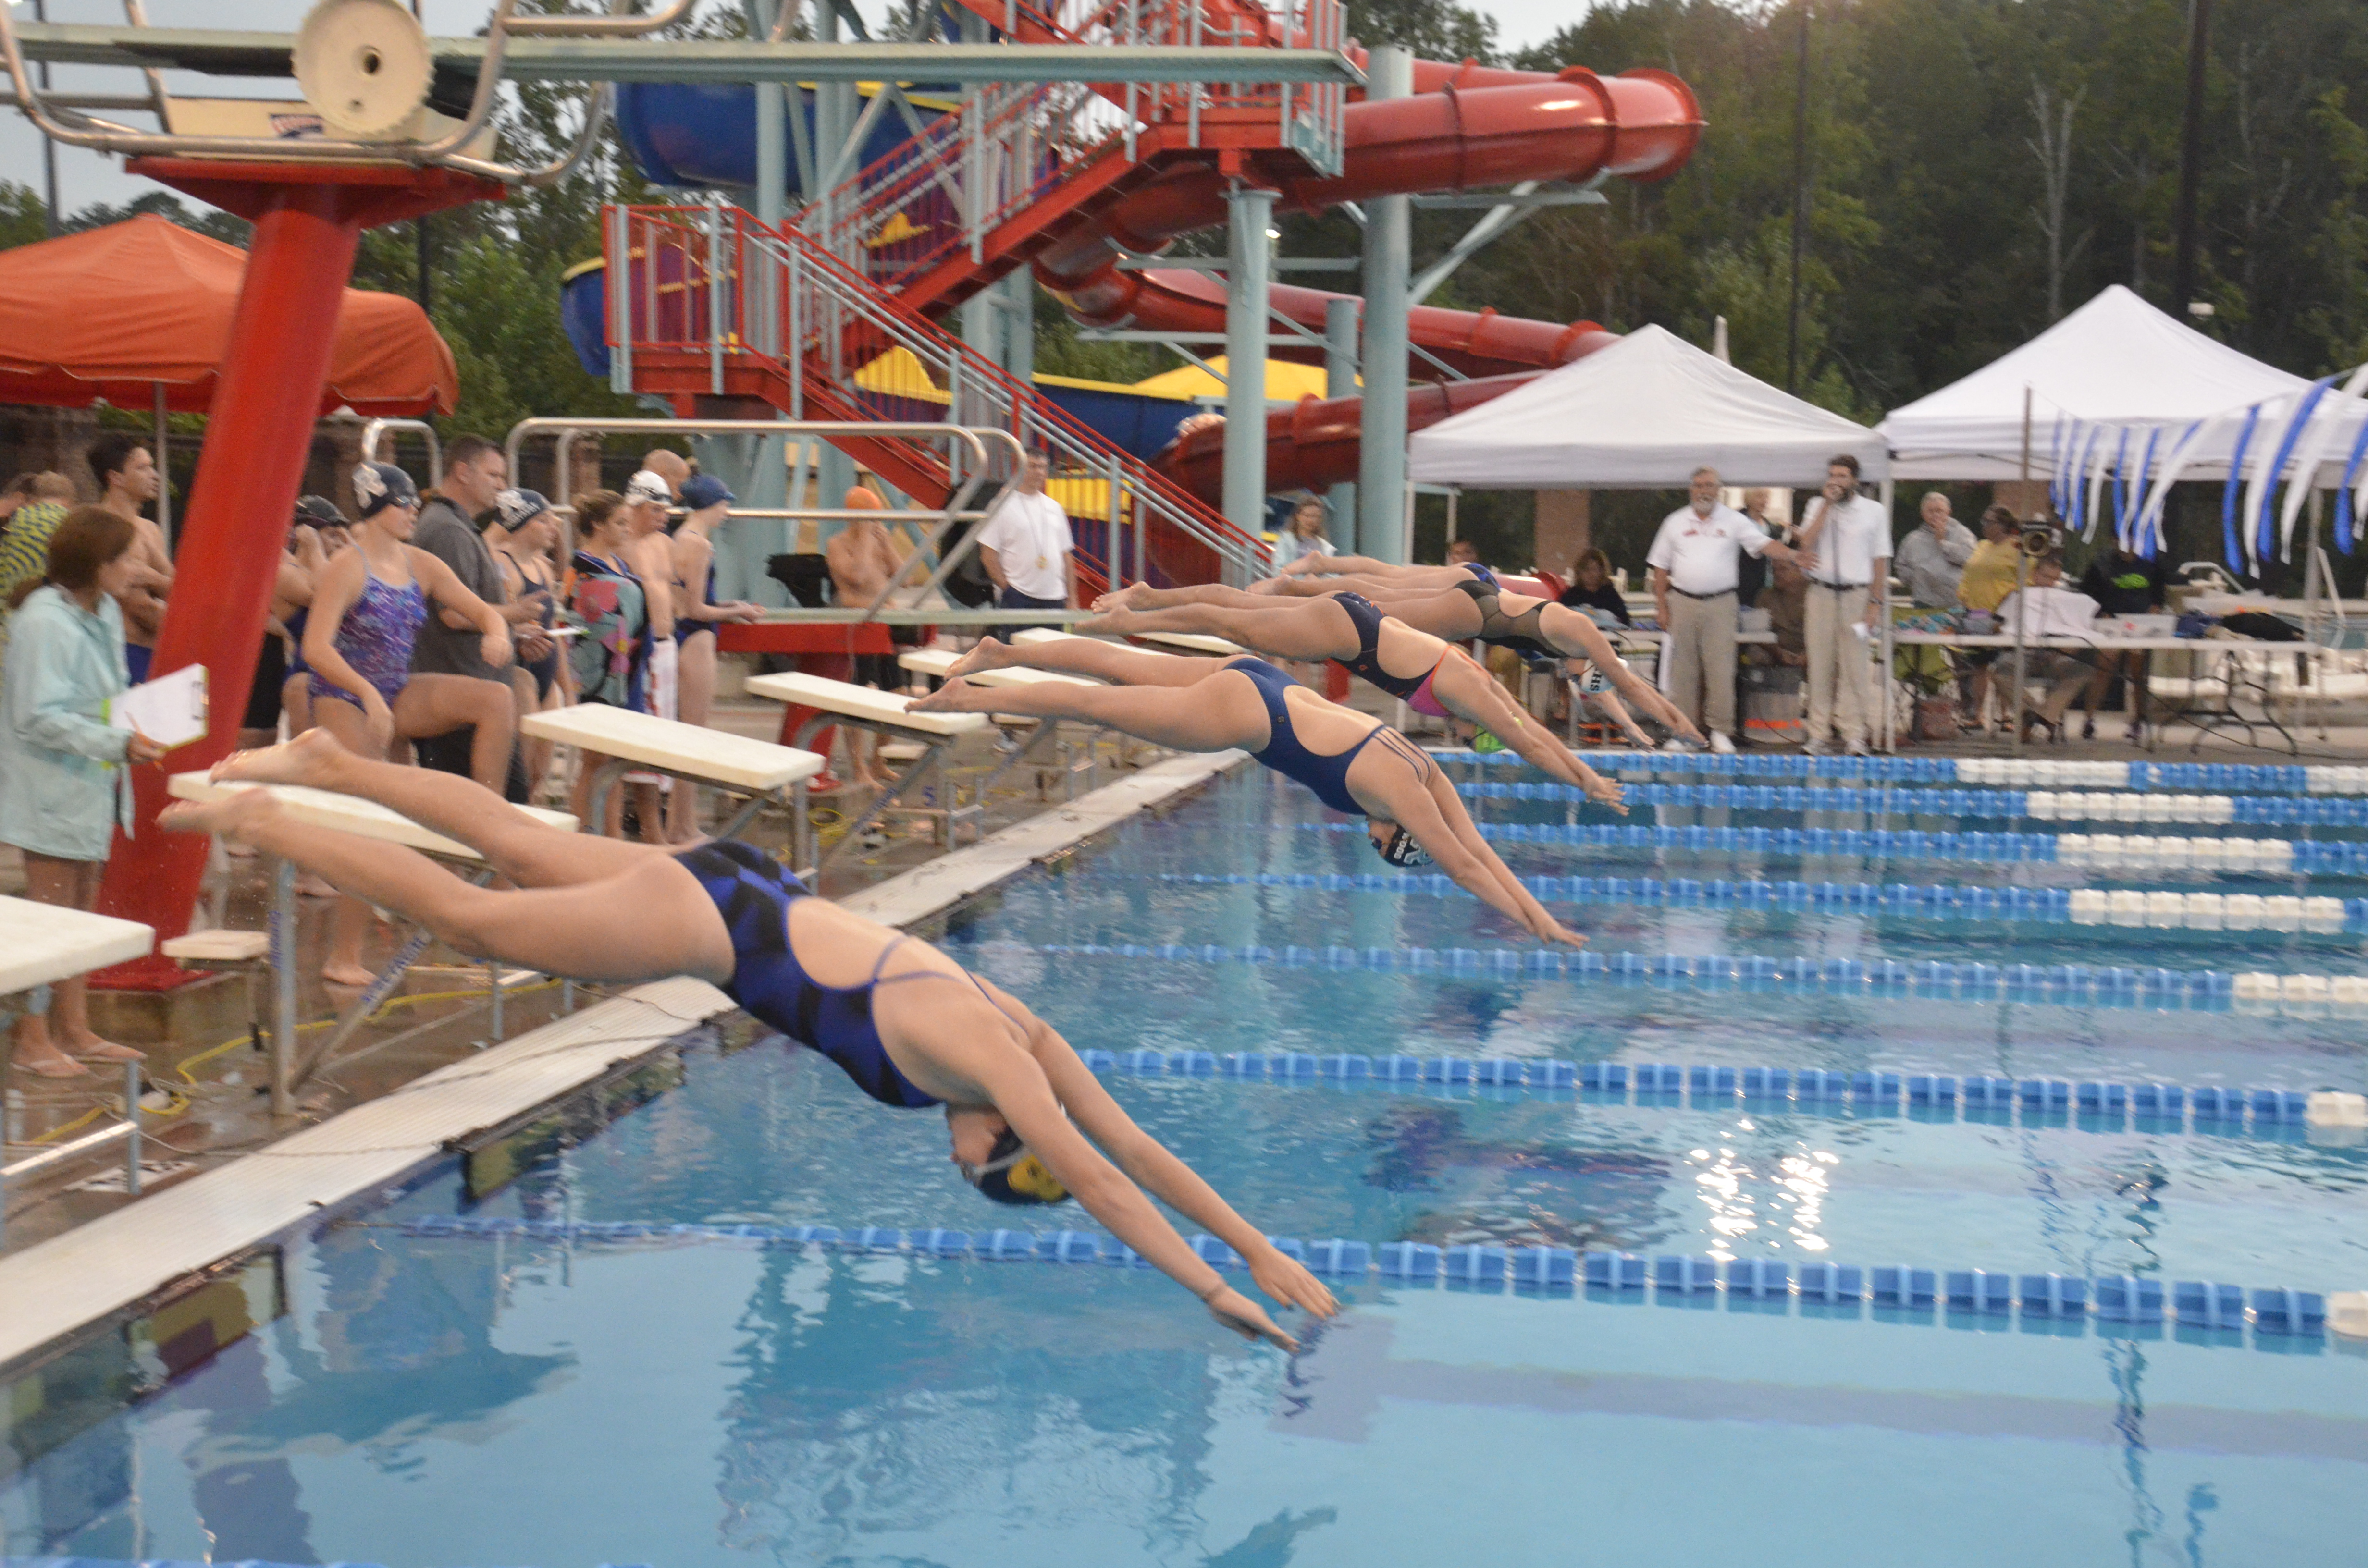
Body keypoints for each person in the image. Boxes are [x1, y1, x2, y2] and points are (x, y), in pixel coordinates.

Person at [170, 729, 1336, 1351]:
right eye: (975, 1164)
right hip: (712, 925)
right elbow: (1104, 1176)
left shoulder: (1027, 1035)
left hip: (751, 883)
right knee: (476, 916)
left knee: (523, 847)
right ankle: (275, 817)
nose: (954, 1158)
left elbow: (1133, 1145)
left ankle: (330, 765)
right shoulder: (984, 1064)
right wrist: (1206, 1286)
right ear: (997, 1147)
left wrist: (1256, 1246)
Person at [915, 639, 1588, 947]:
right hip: (1247, 717)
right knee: (1102, 707)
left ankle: (1000, 653)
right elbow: (1465, 863)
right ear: (1397, 832)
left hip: (1263, 679)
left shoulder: (1423, 770)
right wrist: (1536, 924)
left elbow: (1477, 846)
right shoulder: (1396, 798)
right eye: (1379, 841)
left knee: (1122, 666)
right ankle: (969, 695)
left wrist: (1538, 915)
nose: (1369, 834)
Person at [1083, 594, 1626, 808]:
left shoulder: (1481, 688)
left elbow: (1527, 728)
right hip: (1351, 635)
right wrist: (1587, 780)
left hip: (1357, 627)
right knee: (1236, 624)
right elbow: (1530, 741)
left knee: (1245, 612)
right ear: (1474, 727)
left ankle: (1147, 603)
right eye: (1469, 738)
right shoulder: (1471, 698)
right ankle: (1135, 619)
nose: (1456, 737)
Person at [1105, 566, 1707, 747]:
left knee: (1275, 608)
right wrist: (1681, 726)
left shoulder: (1574, 647)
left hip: (1467, 603)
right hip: (1459, 611)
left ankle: (1152, 598)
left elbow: (1606, 690)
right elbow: (1630, 687)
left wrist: (1642, 736)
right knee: (1259, 614)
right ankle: (1142, 608)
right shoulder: (1581, 630)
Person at [305, 463, 513, 985]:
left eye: (415, 506)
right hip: (343, 696)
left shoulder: (421, 564)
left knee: (495, 699)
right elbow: (315, 648)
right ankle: (343, 956)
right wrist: (366, 692)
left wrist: (496, 632)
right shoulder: (346, 567)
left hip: (395, 690)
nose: (413, 514)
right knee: (369, 818)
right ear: (379, 508)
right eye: (405, 506)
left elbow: (484, 611)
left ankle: (488, 829)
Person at [0, 506, 166, 1077]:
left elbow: (106, 698)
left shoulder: (103, 614)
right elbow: (35, 717)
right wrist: (117, 743)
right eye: (127, 558)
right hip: (49, 784)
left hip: (92, 784)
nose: (137, 566)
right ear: (97, 565)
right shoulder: (44, 622)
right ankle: (31, 1036)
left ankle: (73, 1026)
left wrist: (159, 719)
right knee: (48, 921)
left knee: (80, 915)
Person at [1645, 466, 1804, 753]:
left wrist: (1794, 554)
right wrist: (1662, 607)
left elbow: (1764, 544)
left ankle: (1721, 732)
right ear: (1691, 490)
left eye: (1709, 486)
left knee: (1721, 669)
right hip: (1682, 601)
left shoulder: (1733, 521)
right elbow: (1660, 565)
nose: (1703, 491)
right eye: (1698, 486)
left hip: (1721, 603)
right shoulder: (1675, 522)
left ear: (1719, 491)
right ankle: (1684, 733)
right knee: (1683, 672)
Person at [406, 436, 528, 794]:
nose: (502, 486)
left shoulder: (454, 525)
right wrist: (513, 614)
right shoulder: (447, 531)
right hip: (461, 701)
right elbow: (453, 615)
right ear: (462, 472)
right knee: (494, 807)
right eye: (493, 475)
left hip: (468, 697)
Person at [666, 473, 763, 839]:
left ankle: (681, 822)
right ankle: (682, 826)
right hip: (697, 639)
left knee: (688, 732)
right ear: (709, 505)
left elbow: (693, 601)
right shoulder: (700, 546)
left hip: (685, 636)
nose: (726, 512)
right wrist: (736, 613)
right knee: (694, 734)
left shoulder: (681, 538)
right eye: (724, 504)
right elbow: (694, 609)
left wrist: (731, 605)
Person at [565, 490, 655, 838]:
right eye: (620, 523)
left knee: (616, 762)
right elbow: (573, 624)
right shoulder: (582, 567)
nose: (627, 529)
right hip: (598, 675)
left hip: (627, 671)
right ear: (599, 526)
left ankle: (613, 833)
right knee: (596, 761)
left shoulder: (619, 563)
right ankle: (585, 835)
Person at [1791, 454, 1890, 756]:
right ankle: (1818, 734)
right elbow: (1805, 543)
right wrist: (1825, 506)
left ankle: (1855, 735)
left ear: (1855, 481)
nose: (1836, 481)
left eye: (1843, 476)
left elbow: (1881, 560)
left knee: (1855, 667)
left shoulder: (1874, 511)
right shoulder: (1816, 506)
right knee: (1820, 666)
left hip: (1857, 596)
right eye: (1832, 475)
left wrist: (1875, 603)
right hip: (1820, 593)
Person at [486, 489, 569, 797]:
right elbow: (500, 621)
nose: (554, 528)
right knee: (521, 770)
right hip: (522, 676)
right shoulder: (502, 566)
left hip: (546, 677)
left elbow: (552, 633)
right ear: (522, 523)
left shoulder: (543, 568)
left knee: (540, 776)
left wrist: (568, 691)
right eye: (544, 521)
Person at [824, 484, 908, 790]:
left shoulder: (877, 543)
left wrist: (886, 547)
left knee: (897, 693)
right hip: (856, 627)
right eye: (868, 517)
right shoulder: (837, 544)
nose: (874, 523)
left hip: (882, 626)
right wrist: (862, 538)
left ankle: (879, 760)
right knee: (862, 696)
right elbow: (856, 578)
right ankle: (858, 766)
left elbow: (905, 577)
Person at [239, 500, 327, 753]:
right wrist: (314, 547)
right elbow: (327, 598)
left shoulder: (290, 560)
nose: (292, 527)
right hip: (304, 672)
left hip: (316, 666)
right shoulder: (276, 568)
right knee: (307, 759)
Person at [87, 435, 172, 683]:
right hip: (123, 652)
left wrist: (154, 578)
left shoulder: (149, 529)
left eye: (152, 466)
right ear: (116, 478)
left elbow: (180, 591)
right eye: (142, 468)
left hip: (154, 651)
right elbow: (140, 607)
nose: (154, 475)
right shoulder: (102, 527)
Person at [1994, 553, 2101, 741]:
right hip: (2024, 654)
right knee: (2000, 671)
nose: (2050, 583)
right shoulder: (2019, 596)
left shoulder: (2069, 600)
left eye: (2055, 579)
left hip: (2058, 656)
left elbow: (2080, 631)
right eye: (2046, 577)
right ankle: (2032, 713)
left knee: (2082, 671)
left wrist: (2069, 648)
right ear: (2035, 575)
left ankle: (2041, 717)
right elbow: (1998, 628)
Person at [2077, 540, 2169, 742]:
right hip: (2111, 626)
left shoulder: (2152, 563)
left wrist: (2155, 609)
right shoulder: (2102, 564)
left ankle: (2138, 720)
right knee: (2104, 669)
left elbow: (2159, 597)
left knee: (2137, 674)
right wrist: (2100, 613)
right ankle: (2089, 719)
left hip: (2141, 626)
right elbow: (2088, 596)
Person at [975, 450, 1073, 636]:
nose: (1039, 472)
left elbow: (1066, 556)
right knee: (1016, 658)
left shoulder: (1054, 508)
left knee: (1049, 656)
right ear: (1018, 468)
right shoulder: (1001, 505)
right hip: (1019, 596)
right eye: (1033, 467)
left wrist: (1072, 599)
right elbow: (988, 555)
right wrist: (1008, 589)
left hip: (1055, 598)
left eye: (1043, 468)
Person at [1957, 504, 2023, 728]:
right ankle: (1978, 715)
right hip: (1976, 614)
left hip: (2003, 616)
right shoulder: (1982, 546)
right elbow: (1968, 572)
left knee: (2005, 666)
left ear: (2003, 525)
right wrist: (1964, 594)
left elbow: (2026, 580)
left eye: (1989, 522)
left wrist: (2008, 602)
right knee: (1979, 666)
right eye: (1983, 521)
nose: (1984, 526)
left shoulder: (2016, 547)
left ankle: (2007, 716)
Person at [0, 472, 78, 661]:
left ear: (34, 499)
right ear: (69, 501)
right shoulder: (72, 525)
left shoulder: (14, 523)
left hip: (10, 626)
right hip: (52, 630)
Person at [1896, 492, 1976, 609]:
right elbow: (1901, 566)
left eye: (1939, 511)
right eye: (1931, 511)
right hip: (1924, 601)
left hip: (1956, 602)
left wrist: (1943, 542)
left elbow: (1971, 560)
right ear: (1923, 514)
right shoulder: (1912, 539)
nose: (1935, 515)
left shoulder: (1963, 534)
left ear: (1948, 512)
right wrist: (1919, 580)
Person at [1750, 549, 1810, 668]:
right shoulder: (1766, 597)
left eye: (1783, 569)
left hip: (1811, 650)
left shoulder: (1817, 597)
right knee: (1755, 652)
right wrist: (1779, 653)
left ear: (1801, 571)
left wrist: (1809, 655)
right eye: (1774, 570)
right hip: (1778, 650)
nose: (1777, 574)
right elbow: (1756, 633)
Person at [1557, 547, 1630, 626]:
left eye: (1595, 570)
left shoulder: (1610, 595)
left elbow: (1624, 621)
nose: (1592, 574)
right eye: (1587, 570)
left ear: (1602, 571)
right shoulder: (1571, 595)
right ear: (1579, 572)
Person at [1272, 494, 1336, 571]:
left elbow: (1331, 571)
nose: (1311, 520)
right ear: (1298, 516)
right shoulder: (1286, 540)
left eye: (1316, 517)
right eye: (1307, 516)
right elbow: (1278, 568)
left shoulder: (1325, 546)